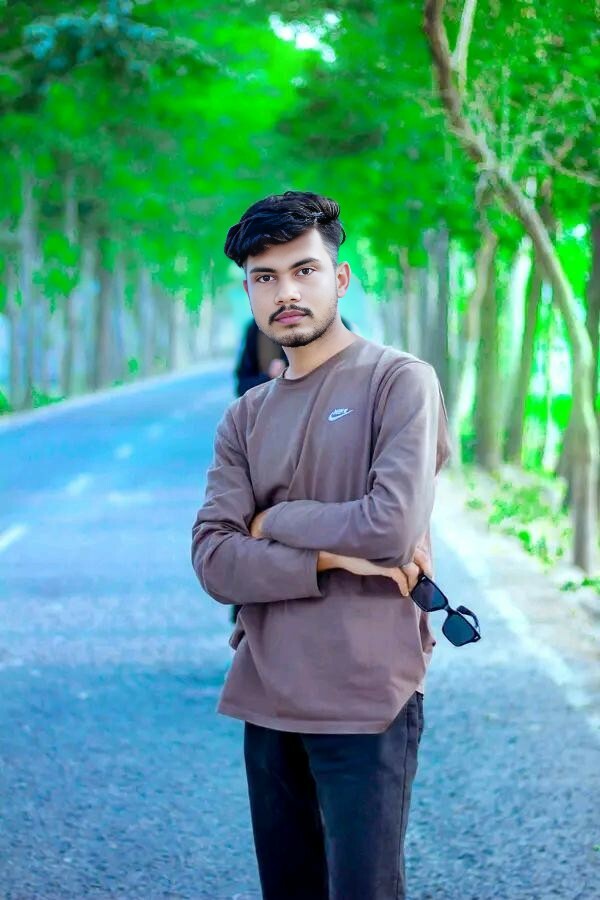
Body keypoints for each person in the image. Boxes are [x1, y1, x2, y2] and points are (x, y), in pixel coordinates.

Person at [191, 191, 451, 900]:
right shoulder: (245, 417)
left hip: (367, 695)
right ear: (249, 290)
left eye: (304, 271)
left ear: (339, 278)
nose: (287, 293)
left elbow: (389, 529)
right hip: (267, 693)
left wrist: (273, 520)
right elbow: (214, 560)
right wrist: (331, 556)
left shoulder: (398, 381)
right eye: (265, 277)